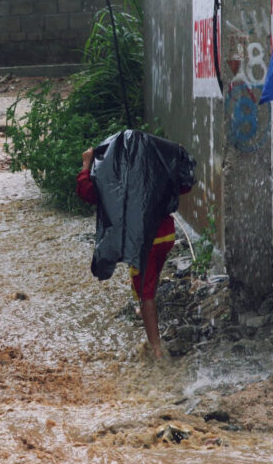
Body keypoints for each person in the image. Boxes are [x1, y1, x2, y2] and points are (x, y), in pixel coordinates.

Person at [76, 142, 192, 358]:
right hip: (166, 235)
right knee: (147, 279)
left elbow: (87, 192)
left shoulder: (118, 178)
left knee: (145, 292)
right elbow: (184, 184)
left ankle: (156, 349)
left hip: (141, 242)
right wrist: (177, 154)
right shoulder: (156, 168)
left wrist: (86, 164)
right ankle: (145, 309)